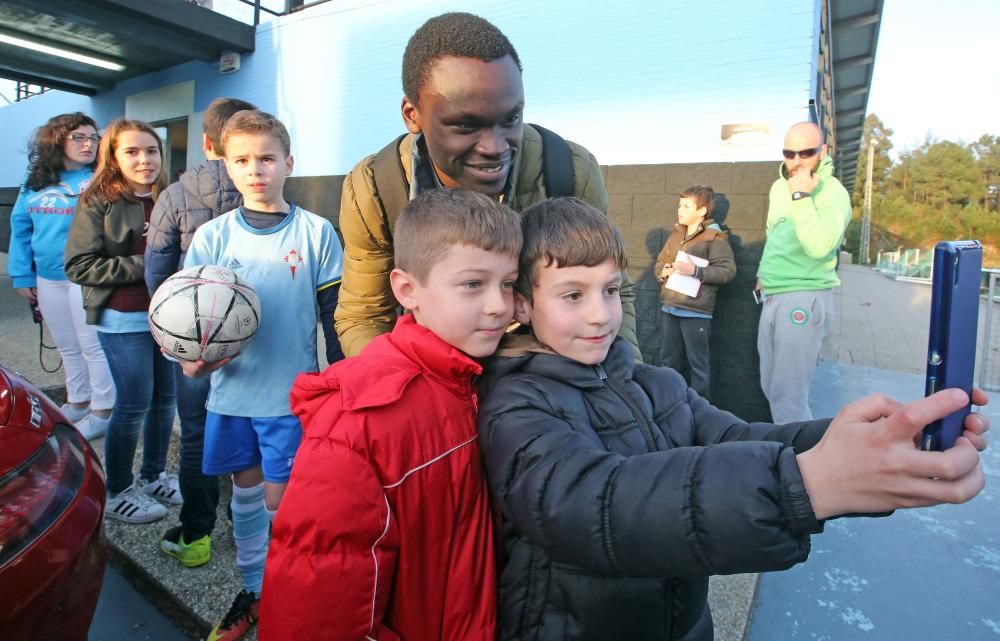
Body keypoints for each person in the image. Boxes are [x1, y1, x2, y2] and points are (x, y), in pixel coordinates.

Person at [478, 197, 988, 641]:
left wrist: (862, 438)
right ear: (522, 303)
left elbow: (736, 438)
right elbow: (596, 503)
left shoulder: (653, 383)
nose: (600, 314)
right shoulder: (515, 404)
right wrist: (804, 485)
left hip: (680, 623)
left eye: (610, 290)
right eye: (573, 295)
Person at [259, 188, 518, 641]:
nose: (500, 305)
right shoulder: (358, 421)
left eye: (509, 284)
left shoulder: (485, 378)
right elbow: (318, 608)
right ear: (406, 289)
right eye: (473, 284)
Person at [334, 11, 639, 358]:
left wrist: (621, 386)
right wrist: (400, 394)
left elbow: (617, 291)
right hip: (431, 377)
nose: (495, 147)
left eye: (510, 119)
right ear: (412, 115)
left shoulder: (568, 171)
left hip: (543, 382)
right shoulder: (376, 189)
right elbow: (365, 315)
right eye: (465, 126)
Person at [180, 110, 343, 641]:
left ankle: (287, 592)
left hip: (287, 400)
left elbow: (334, 318)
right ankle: (252, 590)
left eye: (267, 158)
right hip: (230, 397)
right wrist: (189, 359)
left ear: (288, 164)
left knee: (283, 505)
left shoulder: (316, 233)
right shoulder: (211, 237)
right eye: (243, 160)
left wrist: (341, 383)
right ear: (227, 166)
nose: (256, 169)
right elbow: (187, 320)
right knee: (244, 494)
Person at [144, 96, 257, 570]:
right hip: (253, 341)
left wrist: (174, 335)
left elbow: (157, 274)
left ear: (207, 141)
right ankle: (251, 528)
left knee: (195, 436)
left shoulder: (173, 195)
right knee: (252, 432)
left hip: (193, 346)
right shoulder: (261, 188)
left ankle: (196, 536)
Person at [64, 119, 180, 524]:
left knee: (166, 402)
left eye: (151, 151)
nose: (144, 159)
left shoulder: (171, 194)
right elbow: (79, 264)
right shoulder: (98, 199)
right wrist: (148, 264)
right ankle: (117, 489)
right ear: (112, 156)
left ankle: (153, 475)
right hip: (123, 318)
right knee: (132, 405)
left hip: (168, 316)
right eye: (131, 151)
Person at [8, 112, 115, 439]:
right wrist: (22, 275)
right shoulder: (34, 183)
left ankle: (103, 410)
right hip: (48, 277)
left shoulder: (100, 178)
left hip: (86, 276)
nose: (89, 144)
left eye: (93, 138)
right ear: (57, 141)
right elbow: (20, 228)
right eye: (79, 138)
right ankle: (79, 401)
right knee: (67, 346)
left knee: (92, 346)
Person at [757, 121, 852, 423]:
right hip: (773, 294)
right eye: (789, 153)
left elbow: (820, 246)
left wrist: (802, 197)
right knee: (771, 387)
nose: (796, 161)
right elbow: (776, 235)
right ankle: (794, 454)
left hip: (803, 296)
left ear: (823, 151)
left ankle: (802, 464)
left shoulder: (832, 192)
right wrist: (762, 272)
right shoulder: (777, 187)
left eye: (806, 153)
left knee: (790, 396)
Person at [653, 185, 735, 399]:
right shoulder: (675, 234)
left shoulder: (714, 238)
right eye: (680, 205)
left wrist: (696, 271)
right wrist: (664, 271)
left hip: (696, 313)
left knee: (698, 367)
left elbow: (727, 271)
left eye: (686, 206)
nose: (680, 210)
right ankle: (668, 403)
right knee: (668, 362)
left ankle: (701, 413)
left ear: (701, 211)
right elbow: (661, 261)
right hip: (670, 308)